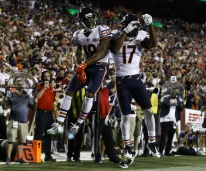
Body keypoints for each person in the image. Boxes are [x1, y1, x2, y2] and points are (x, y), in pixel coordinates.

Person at [109, 13, 159, 168]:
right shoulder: (115, 35)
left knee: (148, 110)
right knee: (125, 116)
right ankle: (128, 147)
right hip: (121, 80)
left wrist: (150, 26)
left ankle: (152, 141)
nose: (135, 30)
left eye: (137, 27)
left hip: (136, 79)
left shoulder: (140, 35)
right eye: (133, 27)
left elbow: (152, 44)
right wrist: (125, 32)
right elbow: (116, 48)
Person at [59, 6, 111, 140]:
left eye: (92, 18)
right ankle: (59, 122)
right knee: (69, 91)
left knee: (89, 94)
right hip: (86, 66)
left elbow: (102, 52)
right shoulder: (78, 34)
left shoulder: (102, 29)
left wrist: (84, 64)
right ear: (81, 20)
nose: (90, 21)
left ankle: (78, 124)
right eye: (87, 19)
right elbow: (77, 51)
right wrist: (78, 66)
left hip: (99, 66)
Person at [4, 79, 35, 165]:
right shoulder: (12, 95)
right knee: (11, 140)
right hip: (13, 120)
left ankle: (20, 157)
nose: (20, 86)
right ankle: (8, 158)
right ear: (16, 85)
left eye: (22, 84)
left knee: (21, 141)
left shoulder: (27, 96)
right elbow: (6, 105)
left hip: (24, 121)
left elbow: (33, 107)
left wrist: (35, 100)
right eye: (19, 84)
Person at [34, 70, 58, 162]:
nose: (47, 78)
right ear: (42, 78)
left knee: (49, 135)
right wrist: (44, 88)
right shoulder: (39, 86)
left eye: (48, 76)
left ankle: (48, 156)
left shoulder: (52, 88)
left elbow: (52, 102)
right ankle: (36, 155)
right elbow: (37, 97)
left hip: (49, 114)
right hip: (41, 113)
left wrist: (54, 114)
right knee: (39, 134)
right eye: (45, 76)